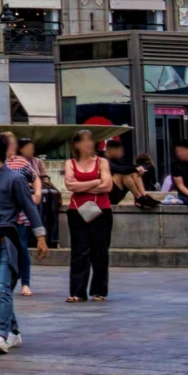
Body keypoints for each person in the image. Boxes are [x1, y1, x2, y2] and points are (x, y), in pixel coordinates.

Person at [0, 129, 45, 353]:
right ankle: (14, 332)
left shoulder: (15, 179)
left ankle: (1, 333)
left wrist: (40, 236)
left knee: (2, 287)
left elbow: (29, 207)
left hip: (6, 239)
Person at [63, 128, 113, 304]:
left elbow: (107, 186)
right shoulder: (70, 163)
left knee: (100, 250)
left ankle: (99, 290)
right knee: (79, 250)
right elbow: (70, 186)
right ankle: (78, 291)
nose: (88, 144)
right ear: (76, 144)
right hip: (77, 211)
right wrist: (96, 182)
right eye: (84, 140)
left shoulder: (102, 162)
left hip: (101, 210)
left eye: (90, 140)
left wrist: (82, 185)